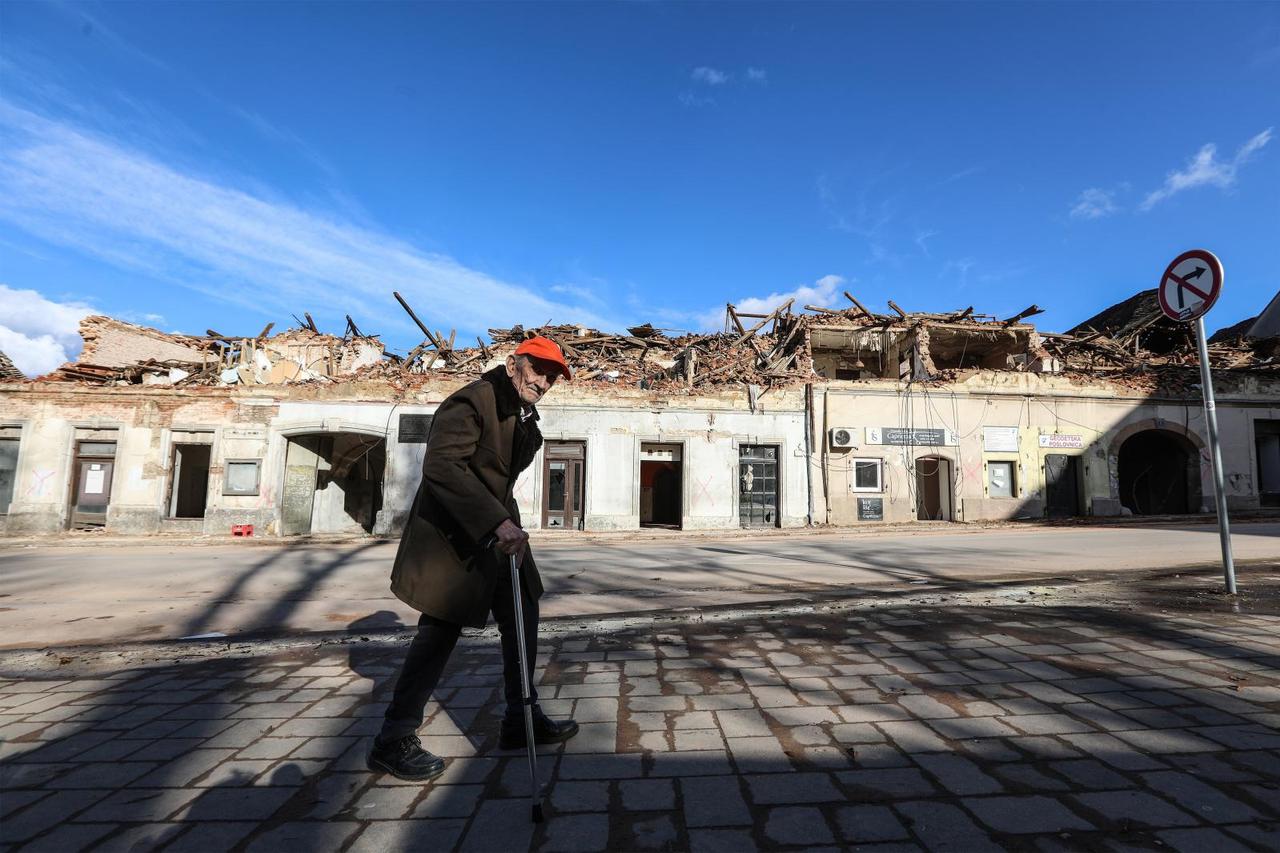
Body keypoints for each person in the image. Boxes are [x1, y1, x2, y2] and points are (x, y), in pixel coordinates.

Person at [367, 336, 580, 780]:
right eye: (538, 370)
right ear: (512, 364)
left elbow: (499, 478)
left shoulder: (519, 415)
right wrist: (494, 523)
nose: (545, 382)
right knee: (438, 633)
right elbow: (443, 468)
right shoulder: (470, 402)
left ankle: (521, 718)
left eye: (553, 376)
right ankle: (392, 739)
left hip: (500, 538)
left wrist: (508, 527)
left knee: (523, 615)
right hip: (454, 538)